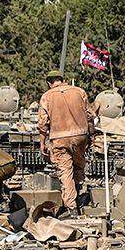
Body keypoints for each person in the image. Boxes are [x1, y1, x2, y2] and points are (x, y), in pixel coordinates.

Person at [38, 69, 96, 217]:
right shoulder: (79, 91)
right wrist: (92, 134)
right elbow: (89, 116)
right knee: (78, 165)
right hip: (80, 135)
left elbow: (43, 123)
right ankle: (78, 193)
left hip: (59, 138)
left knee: (65, 172)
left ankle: (72, 207)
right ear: (62, 79)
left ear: (49, 82)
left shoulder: (47, 97)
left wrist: (42, 143)